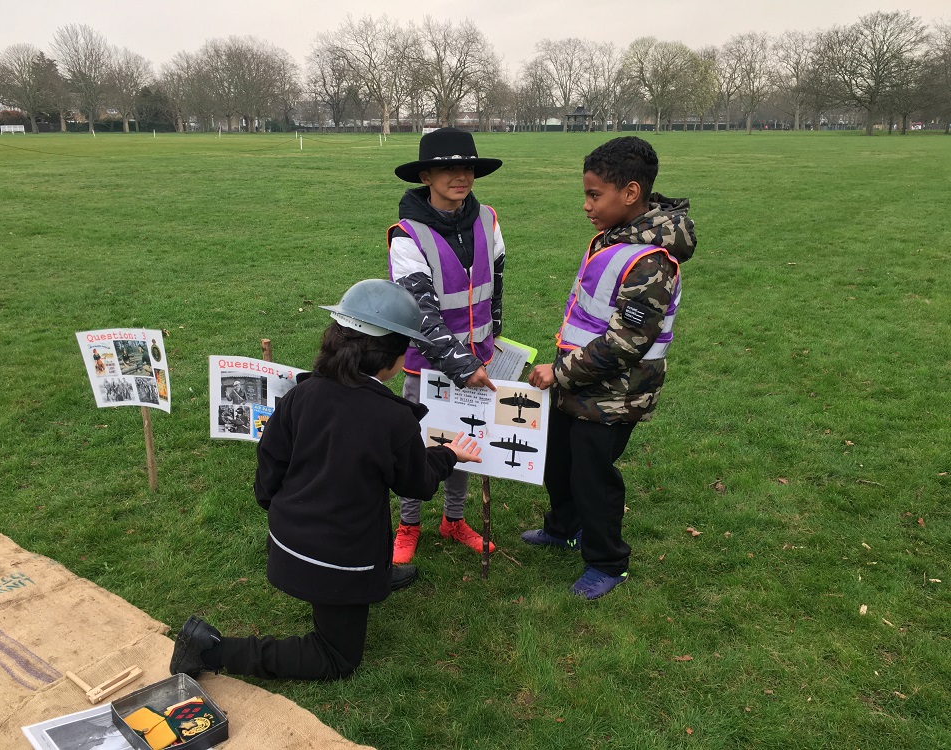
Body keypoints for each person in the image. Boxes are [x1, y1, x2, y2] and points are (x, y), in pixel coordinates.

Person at [170, 279, 481, 681]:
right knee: (336, 657)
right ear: (389, 358)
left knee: (355, 512)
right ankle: (211, 651)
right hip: (336, 559)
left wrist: (283, 512)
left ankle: (378, 576)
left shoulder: (304, 394)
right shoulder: (393, 418)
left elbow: (270, 463)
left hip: (286, 540)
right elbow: (416, 483)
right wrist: (446, 455)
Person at [524, 136, 696, 600]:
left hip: (617, 394)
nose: (586, 205)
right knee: (557, 460)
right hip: (579, 381)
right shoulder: (616, 237)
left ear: (632, 193)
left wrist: (557, 374)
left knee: (591, 475)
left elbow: (626, 343)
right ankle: (563, 527)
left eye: (594, 195)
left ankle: (607, 562)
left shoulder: (652, 262)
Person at [388, 127, 505, 563]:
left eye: (468, 167)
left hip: (478, 359)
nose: (461, 176)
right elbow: (421, 313)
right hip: (427, 364)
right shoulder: (406, 235)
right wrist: (461, 364)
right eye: (448, 168)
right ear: (425, 176)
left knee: (465, 439)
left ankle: (453, 519)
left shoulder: (489, 219)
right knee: (417, 445)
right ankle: (409, 524)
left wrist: (493, 338)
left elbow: (495, 289)